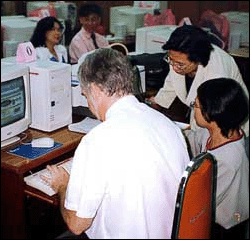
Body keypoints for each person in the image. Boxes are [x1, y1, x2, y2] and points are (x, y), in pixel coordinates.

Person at [42, 48, 190, 238]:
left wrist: (63, 185)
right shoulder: (168, 126)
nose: (88, 103)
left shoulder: (97, 141)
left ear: (95, 89)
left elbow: (77, 224)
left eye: (85, 95)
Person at [147, 25, 249, 137]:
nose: (174, 67)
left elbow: (213, 117)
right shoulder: (178, 57)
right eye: (170, 60)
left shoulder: (217, 72)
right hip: (203, 120)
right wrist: (157, 102)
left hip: (225, 127)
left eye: (180, 64)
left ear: (198, 60)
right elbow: (172, 82)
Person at [190, 78, 249, 238]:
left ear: (211, 113)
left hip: (227, 226)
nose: (192, 109)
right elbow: (193, 139)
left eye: (195, 105)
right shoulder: (217, 132)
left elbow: (201, 199)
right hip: (214, 215)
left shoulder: (227, 159)